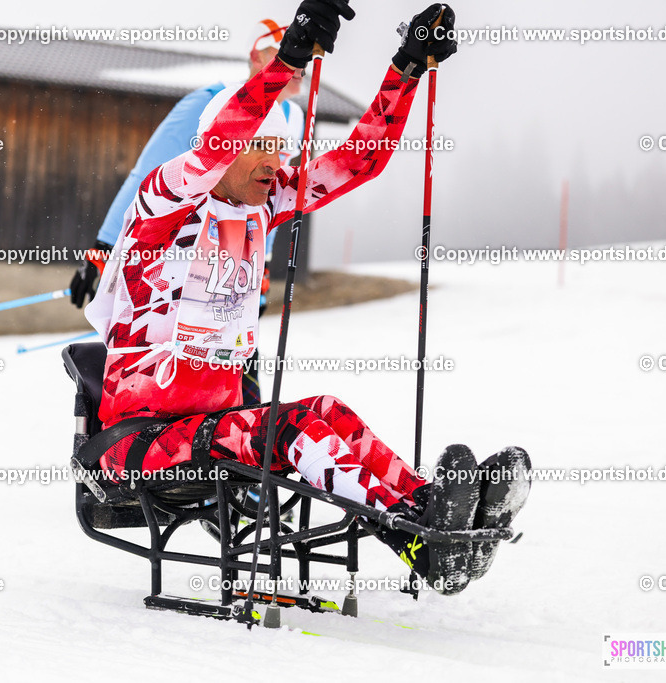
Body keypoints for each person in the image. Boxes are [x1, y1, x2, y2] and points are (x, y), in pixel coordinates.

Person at [84, 1, 530, 596]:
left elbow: (359, 161)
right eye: (261, 147)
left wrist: (406, 68)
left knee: (327, 413)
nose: (276, 161)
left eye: (282, 149)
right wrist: (288, 60)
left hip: (211, 424)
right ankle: (424, 538)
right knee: (294, 434)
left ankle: (441, 516)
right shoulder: (162, 208)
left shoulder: (261, 211)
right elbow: (218, 146)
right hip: (136, 443)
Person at [70, 19, 308, 405]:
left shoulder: (292, 118)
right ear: (255, 57)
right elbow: (146, 173)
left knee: (239, 378)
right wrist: (102, 249)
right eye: (280, 57)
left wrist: (260, 264)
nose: (296, 71)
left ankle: (241, 452)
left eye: (301, 65)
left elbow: (268, 200)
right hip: (176, 251)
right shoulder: (208, 102)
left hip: (234, 265)